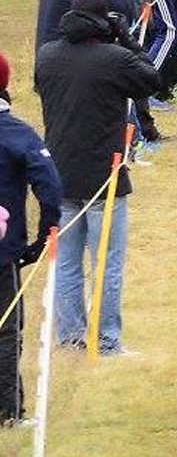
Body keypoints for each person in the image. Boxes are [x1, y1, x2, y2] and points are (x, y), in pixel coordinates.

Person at [35, 0, 162, 355]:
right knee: (106, 263)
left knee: (69, 262)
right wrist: (125, 39)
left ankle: (72, 335)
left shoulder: (47, 56)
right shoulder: (114, 58)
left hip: (60, 173)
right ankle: (106, 340)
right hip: (103, 177)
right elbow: (151, 79)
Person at [0, 51, 62, 423]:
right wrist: (43, 238)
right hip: (3, 253)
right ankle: (8, 410)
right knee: (7, 330)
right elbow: (50, 187)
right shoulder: (17, 133)